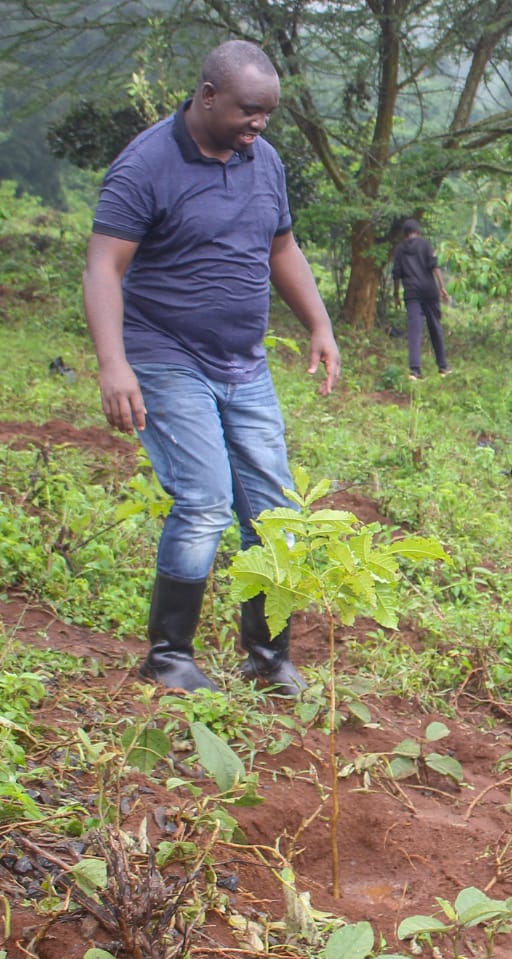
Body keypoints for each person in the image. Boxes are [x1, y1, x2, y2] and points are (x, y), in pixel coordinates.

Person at [83, 39, 341, 696]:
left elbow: (282, 246)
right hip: (165, 356)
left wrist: (318, 322)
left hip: (243, 363)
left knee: (276, 511)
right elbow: (103, 267)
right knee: (204, 502)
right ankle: (169, 656)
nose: (258, 125)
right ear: (207, 96)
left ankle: (268, 658)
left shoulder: (264, 162)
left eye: (267, 114)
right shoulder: (145, 166)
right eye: (247, 111)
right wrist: (114, 365)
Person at [392, 218, 451, 380]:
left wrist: (396, 295)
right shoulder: (425, 244)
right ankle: (443, 367)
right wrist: (442, 288)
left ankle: (415, 370)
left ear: (404, 234)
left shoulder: (399, 249)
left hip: (411, 293)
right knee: (435, 326)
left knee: (414, 330)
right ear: (417, 231)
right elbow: (434, 266)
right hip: (429, 290)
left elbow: (396, 274)